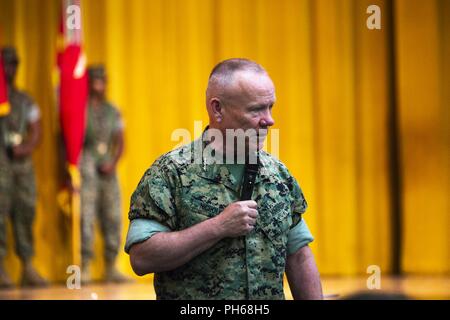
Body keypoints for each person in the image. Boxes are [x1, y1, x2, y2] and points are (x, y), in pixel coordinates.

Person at [125, 58, 323, 299]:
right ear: (217, 109)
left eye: (270, 107)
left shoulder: (278, 175)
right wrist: (217, 227)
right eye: (255, 109)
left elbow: (299, 255)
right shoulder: (171, 172)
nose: (269, 120)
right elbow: (142, 257)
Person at [0, 46, 47, 288]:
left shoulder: (25, 99)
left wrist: (25, 148)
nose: (10, 69)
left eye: (14, 64)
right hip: (1, 165)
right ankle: (1, 269)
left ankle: (27, 266)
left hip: (22, 167)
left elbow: (36, 130)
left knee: (26, 212)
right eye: (6, 64)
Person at [79, 65, 129, 283]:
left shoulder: (113, 110)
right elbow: (68, 141)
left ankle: (111, 267)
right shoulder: (79, 108)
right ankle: (85, 266)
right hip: (86, 165)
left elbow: (121, 141)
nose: (98, 83)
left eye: (102, 79)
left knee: (113, 215)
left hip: (108, 166)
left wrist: (113, 162)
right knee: (86, 215)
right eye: (94, 79)